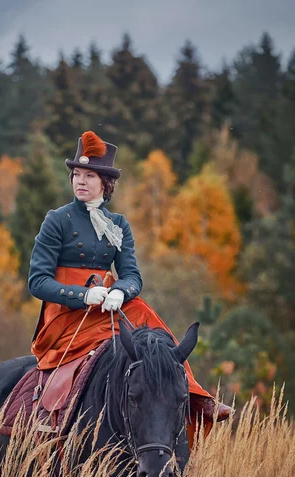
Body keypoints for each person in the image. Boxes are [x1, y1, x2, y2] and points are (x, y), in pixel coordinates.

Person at [28, 131, 232, 438]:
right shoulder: (56, 220)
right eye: (77, 175)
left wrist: (121, 291)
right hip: (66, 315)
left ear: (105, 184)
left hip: (108, 307)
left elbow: (132, 275)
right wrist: (84, 295)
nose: (81, 181)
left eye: (89, 176)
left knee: (156, 333)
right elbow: (37, 282)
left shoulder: (119, 224)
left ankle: (194, 395)